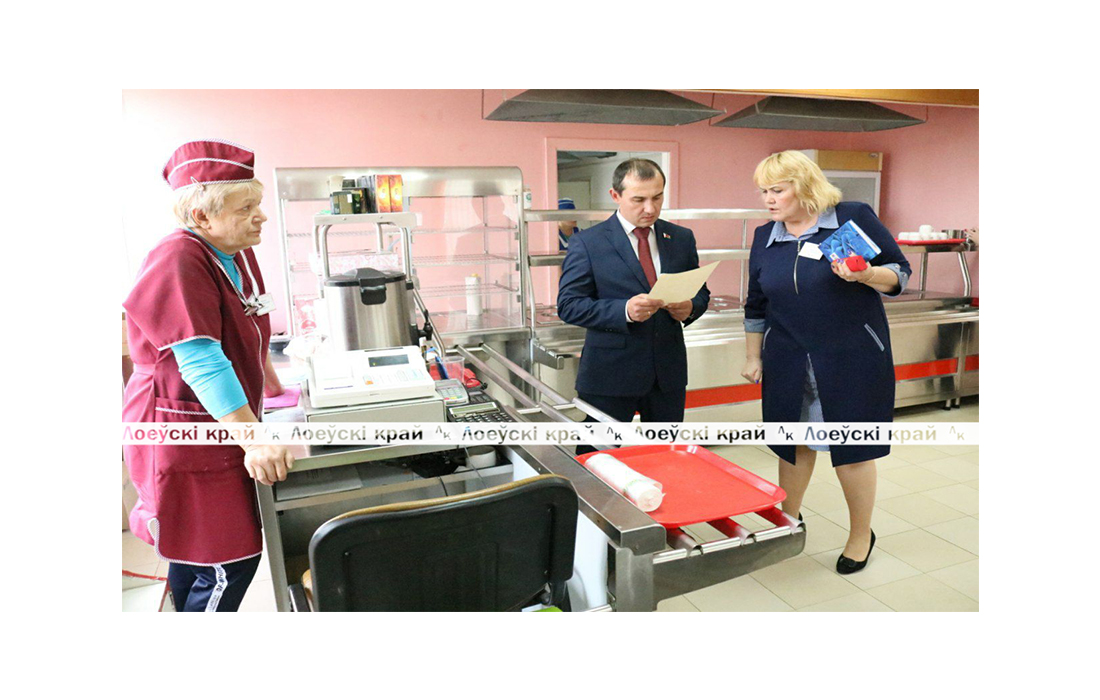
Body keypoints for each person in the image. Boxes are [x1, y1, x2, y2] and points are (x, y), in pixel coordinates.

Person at [122, 139, 293, 611]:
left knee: (196, 547)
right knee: (229, 560)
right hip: (179, 424)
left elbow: (251, 321)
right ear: (201, 216)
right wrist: (255, 440)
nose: (261, 217)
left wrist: (273, 387)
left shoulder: (233, 250)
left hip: (218, 417)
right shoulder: (178, 258)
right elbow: (201, 359)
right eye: (246, 209)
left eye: (257, 205)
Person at [741, 150, 912, 574]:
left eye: (777, 190)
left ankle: (861, 535)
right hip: (787, 358)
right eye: (763, 191)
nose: (768, 199)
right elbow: (756, 303)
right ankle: (786, 522)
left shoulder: (851, 217)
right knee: (792, 444)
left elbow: (899, 272)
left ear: (805, 186)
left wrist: (866, 274)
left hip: (852, 357)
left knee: (853, 449)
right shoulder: (765, 236)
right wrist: (752, 355)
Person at [558, 158, 709, 433]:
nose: (650, 208)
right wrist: (624, 311)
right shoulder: (588, 242)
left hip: (667, 374)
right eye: (639, 199)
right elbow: (569, 305)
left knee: (664, 452)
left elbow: (701, 292)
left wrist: (690, 307)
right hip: (609, 374)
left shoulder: (681, 238)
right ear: (615, 195)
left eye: (657, 197)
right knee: (599, 452)